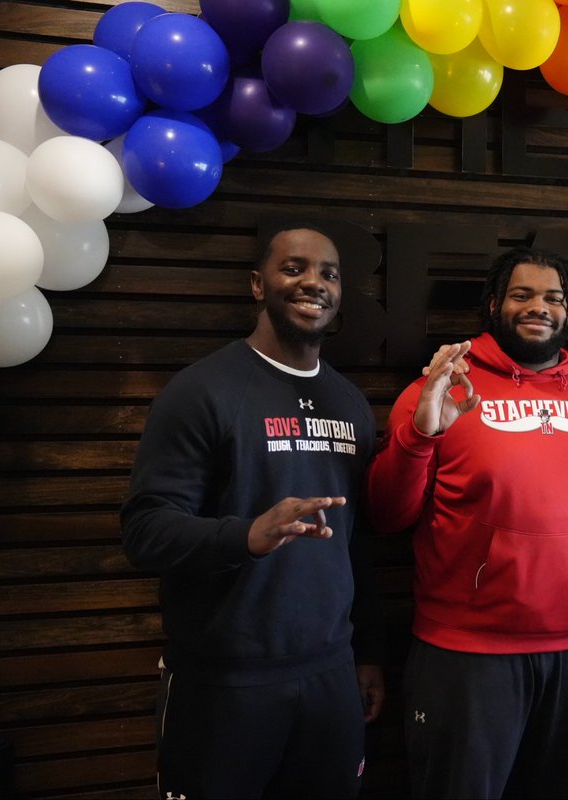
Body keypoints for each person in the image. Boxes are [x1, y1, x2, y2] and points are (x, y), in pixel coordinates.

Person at [366, 246, 568, 799]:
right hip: (466, 656)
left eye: (553, 298)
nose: (538, 306)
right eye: (522, 294)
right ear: (494, 305)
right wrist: (421, 435)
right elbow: (386, 516)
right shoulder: (442, 389)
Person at [121, 225, 385, 799]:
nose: (313, 282)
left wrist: (365, 653)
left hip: (330, 673)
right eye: (294, 268)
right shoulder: (201, 391)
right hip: (223, 682)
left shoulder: (349, 403)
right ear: (257, 285)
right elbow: (144, 531)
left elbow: (354, 542)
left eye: (329, 273)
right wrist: (246, 536)